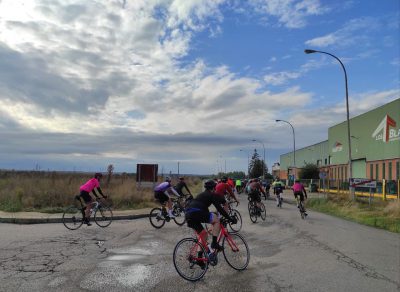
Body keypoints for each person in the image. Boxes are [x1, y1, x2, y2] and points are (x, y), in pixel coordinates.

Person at [185, 180, 236, 257]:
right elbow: (220, 209)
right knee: (217, 220)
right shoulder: (212, 195)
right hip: (196, 212)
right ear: (213, 188)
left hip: (188, 214)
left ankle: (199, 259)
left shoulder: (202, 195)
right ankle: (214, 243)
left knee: (204, 235)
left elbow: (205, 209)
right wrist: (229, 218)